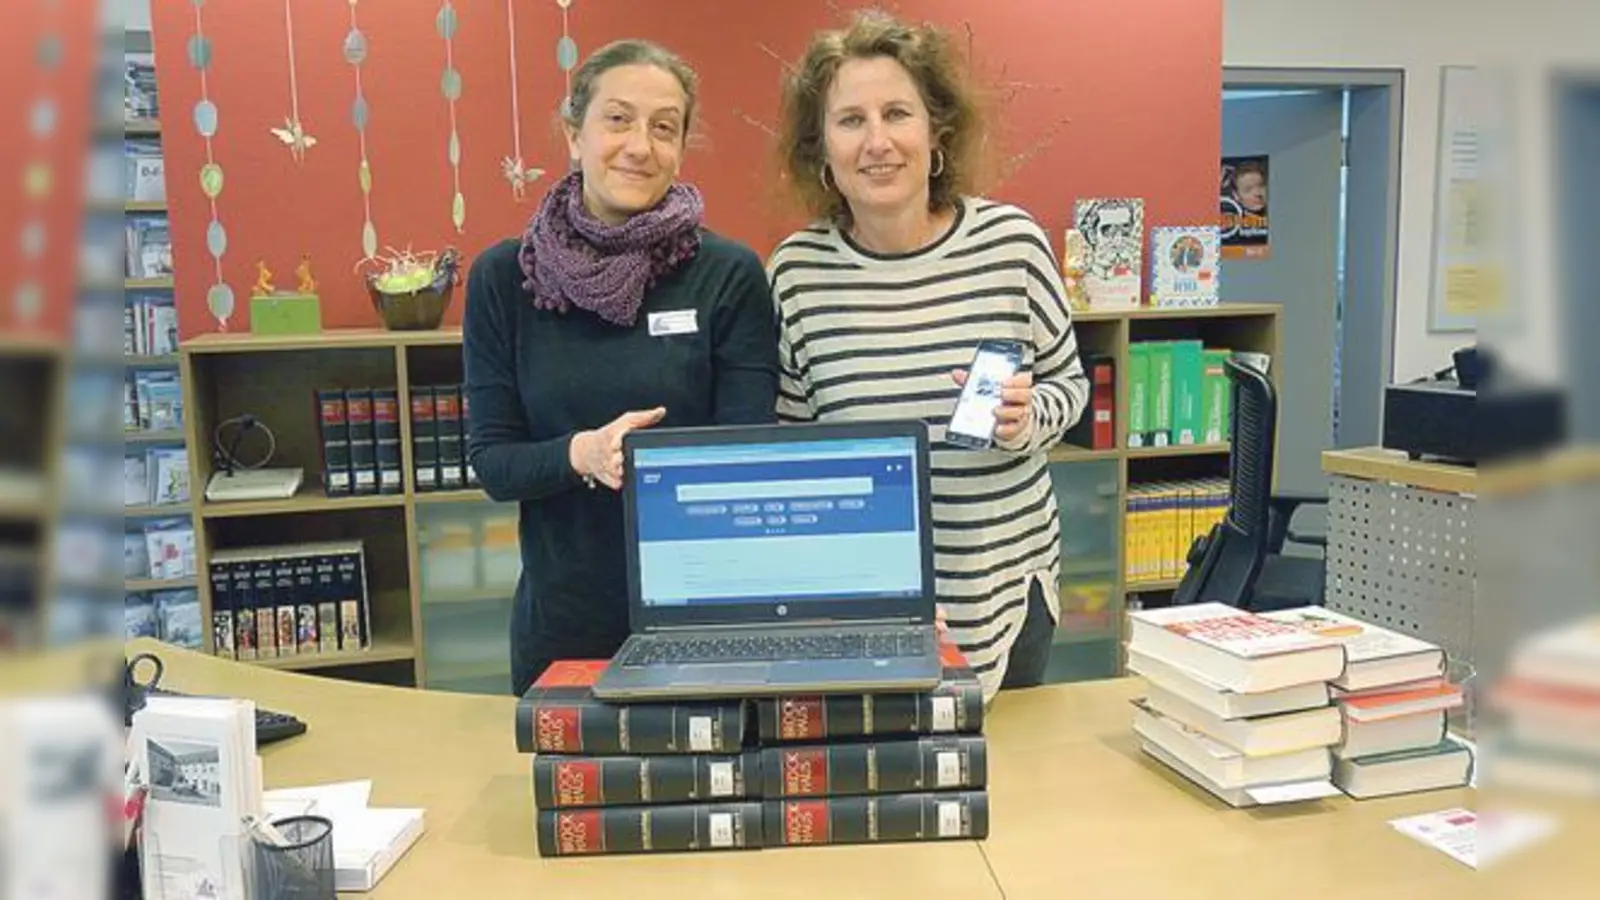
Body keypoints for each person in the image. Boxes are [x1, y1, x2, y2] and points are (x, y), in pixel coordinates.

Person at [768, 11, 1090, 701]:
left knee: (1022, 793)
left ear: (935, 130)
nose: (877, 141)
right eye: (851, 120)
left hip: (1006, 592)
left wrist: (1029, 416)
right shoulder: (795, 273)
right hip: (866, 607)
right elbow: (794, 448)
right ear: (820, 147)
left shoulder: (1012, 243)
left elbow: (1069, 382)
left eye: (897, 113)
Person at [463, 39, 779, 696]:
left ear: (681, 148)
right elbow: (494, 464)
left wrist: (663, 466)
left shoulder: (728, 276)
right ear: (574, 134)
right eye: (618, 119)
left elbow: (748, 457)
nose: (640, 145)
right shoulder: (502, 278)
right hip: (562, 629)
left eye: (664, 127)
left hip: (704, 621)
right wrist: (584, 453)